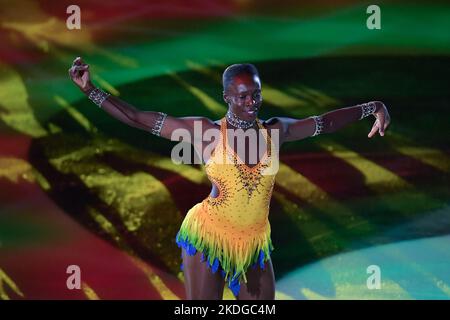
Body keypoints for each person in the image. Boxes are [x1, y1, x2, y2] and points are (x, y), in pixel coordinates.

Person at [69, 57, 391, 300]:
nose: (251, 103)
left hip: (252, 242)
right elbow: (138, 118)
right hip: (209, 237)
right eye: (242, 97)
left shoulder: (276, 131)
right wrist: (90, 90)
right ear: (226, 97)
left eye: (256, 94)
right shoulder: (206, 133)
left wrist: (372, 106)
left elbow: (324, 123)